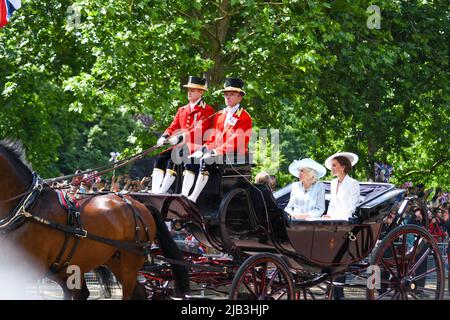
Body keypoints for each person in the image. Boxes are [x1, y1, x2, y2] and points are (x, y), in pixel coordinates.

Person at [185, 77, 252, 203]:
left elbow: (235, 141)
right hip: (218, 153)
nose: (228, 97)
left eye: (232, 94)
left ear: (240, 97)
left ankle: (193, 198)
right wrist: (204, 148)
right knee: (190, 159)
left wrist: (215, 152)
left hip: (235, 156)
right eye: (226, 94)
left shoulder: (244, 117)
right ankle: (185, 195)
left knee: (206, 160)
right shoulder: (220, 115)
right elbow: (213, 137)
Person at [150, 76, 215, 194]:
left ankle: (164, 193)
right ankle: (155, 191)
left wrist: (180, 137)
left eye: (193, 90)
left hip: (196, 145)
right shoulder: (182, 109)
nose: (189, 92)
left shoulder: (207, 110)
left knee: (173, 159)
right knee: (160, 159)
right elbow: (173, 126)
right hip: (181, 145)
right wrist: (165, 136)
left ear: (201, 92)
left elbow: (199, 131)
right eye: (188, 90)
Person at [322, 152, 360, 221]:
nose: (331, 168)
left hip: (346, 221)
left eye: (334, 165)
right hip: (332, 222)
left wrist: (336, 218)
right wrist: (328, 217)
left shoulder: (353, 183)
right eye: (331, 165)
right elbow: (332, 203)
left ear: (343, 167)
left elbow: (353, 207)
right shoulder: (333, 182)